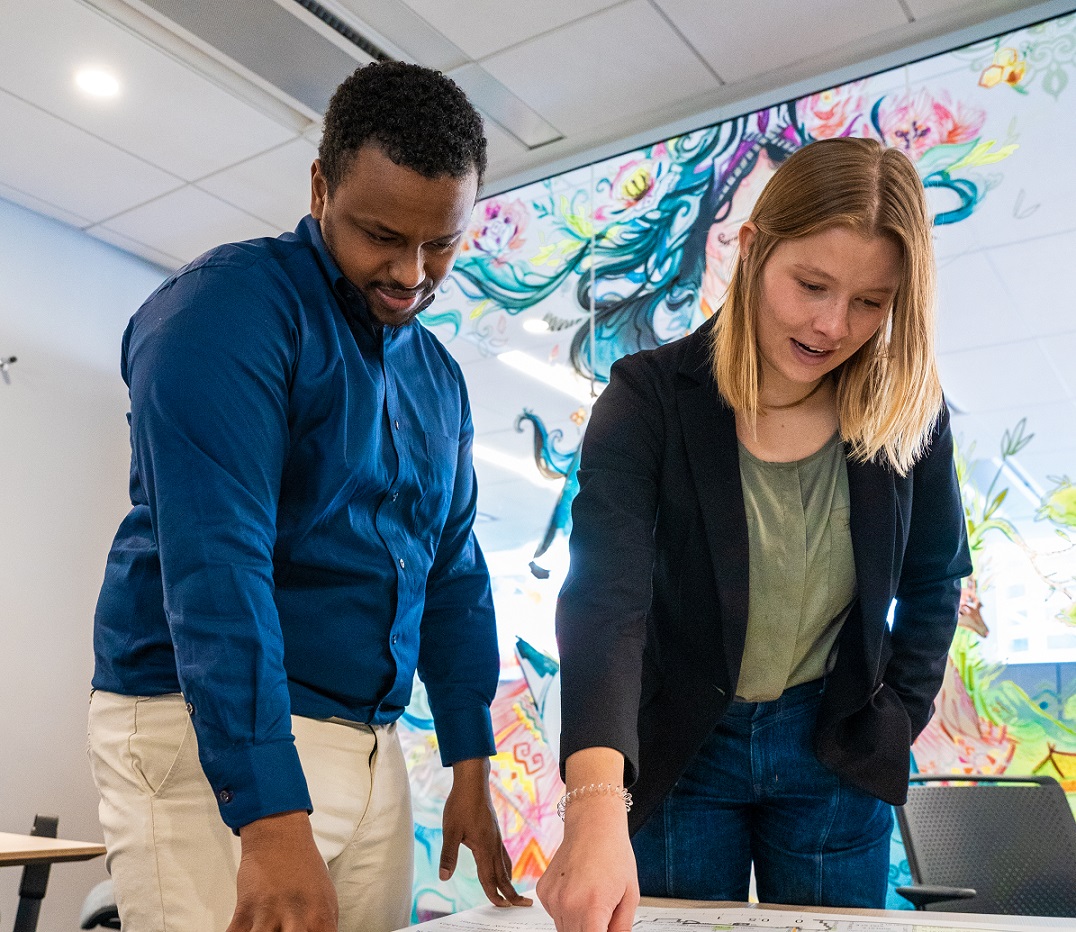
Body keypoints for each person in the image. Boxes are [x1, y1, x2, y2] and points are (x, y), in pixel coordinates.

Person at [88, 61, 529, 932]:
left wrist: (471, 758)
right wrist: (267, 815)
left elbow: (453, 572)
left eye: (440, 243)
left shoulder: (435, 376)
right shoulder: (225, 313)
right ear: (321, 187)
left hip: (370, 747)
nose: (412, 273)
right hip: (204, 732)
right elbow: (219, 568)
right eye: (381, 236)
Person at [537, 137, 973, 931]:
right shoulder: (648, 399)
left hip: (833, 745)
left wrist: (898, 715)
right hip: (682, 743)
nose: (832, 325)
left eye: (872, 301)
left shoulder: (911, 410)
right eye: (811, 284)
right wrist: (594, 806)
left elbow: (936, 578)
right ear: (752, 248)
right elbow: (606, 600)